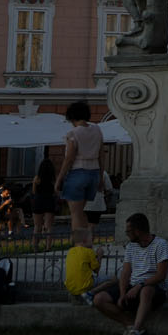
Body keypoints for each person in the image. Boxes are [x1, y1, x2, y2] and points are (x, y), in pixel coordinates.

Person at [92, 212, 168, 335]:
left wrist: (139, 286)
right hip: (133, 286)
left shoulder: (161, 245)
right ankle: (130, 325)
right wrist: (123, 293)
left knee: (146, 291)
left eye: (129, 230)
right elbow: (125, 272)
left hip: (154, 287)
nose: (127, 233)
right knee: (99, 299)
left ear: (138, 231)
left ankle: (135, 330)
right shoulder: (131, 246)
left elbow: (161, 275)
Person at [57, 99, 107, 240]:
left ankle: (79, 244)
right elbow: (101, 155)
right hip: (94, 173)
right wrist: (101, 176)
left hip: (78, 172)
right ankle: (87, 241)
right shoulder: (97, 129)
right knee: (81, 211)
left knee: (75, 213)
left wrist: (60, 178)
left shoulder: (73, 133)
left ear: (71, 117)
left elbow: (69, 158)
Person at [63, 227, 100, 302]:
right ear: (85, 241)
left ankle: (75, 296)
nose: (92, 242)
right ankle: (89, 294)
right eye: (91, 240)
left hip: (70, 287)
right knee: (113, 280)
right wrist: (99, 255)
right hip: (86, 285)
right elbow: (96, 270)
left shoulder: (70, 252)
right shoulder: (89, 251)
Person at [29, 155, 58, 237]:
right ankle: (48, 247)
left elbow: (34, 192)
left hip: (38, 201)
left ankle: (35, 247)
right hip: (49, 201)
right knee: (49, 226)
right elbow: (56, 192)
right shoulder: (53, 179)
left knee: (37, 226)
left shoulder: (37, 178)